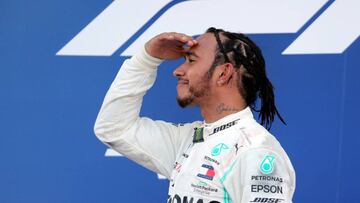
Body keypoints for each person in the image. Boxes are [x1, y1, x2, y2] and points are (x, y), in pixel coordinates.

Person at [94, 27, 296, 203]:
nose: (177, 71)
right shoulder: (189, 140)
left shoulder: (255, 151)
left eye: (191, 60)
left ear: (223, 74)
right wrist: (147, 58)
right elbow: (114, 128)